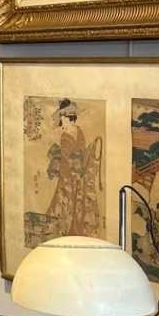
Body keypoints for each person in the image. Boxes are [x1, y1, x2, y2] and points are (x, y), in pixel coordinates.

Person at [45, 98, 101, 238]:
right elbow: (79, 152)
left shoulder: (65, 136)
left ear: (68, 118)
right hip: (78, 174)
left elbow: (66, 158)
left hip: (69, 175)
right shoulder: (79, 131)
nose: (61, 122)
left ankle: (64, 230)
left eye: (63, 119)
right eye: (61, 119)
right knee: (75, 202)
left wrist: (58, 162)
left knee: (65, 201)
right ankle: (74, 230)